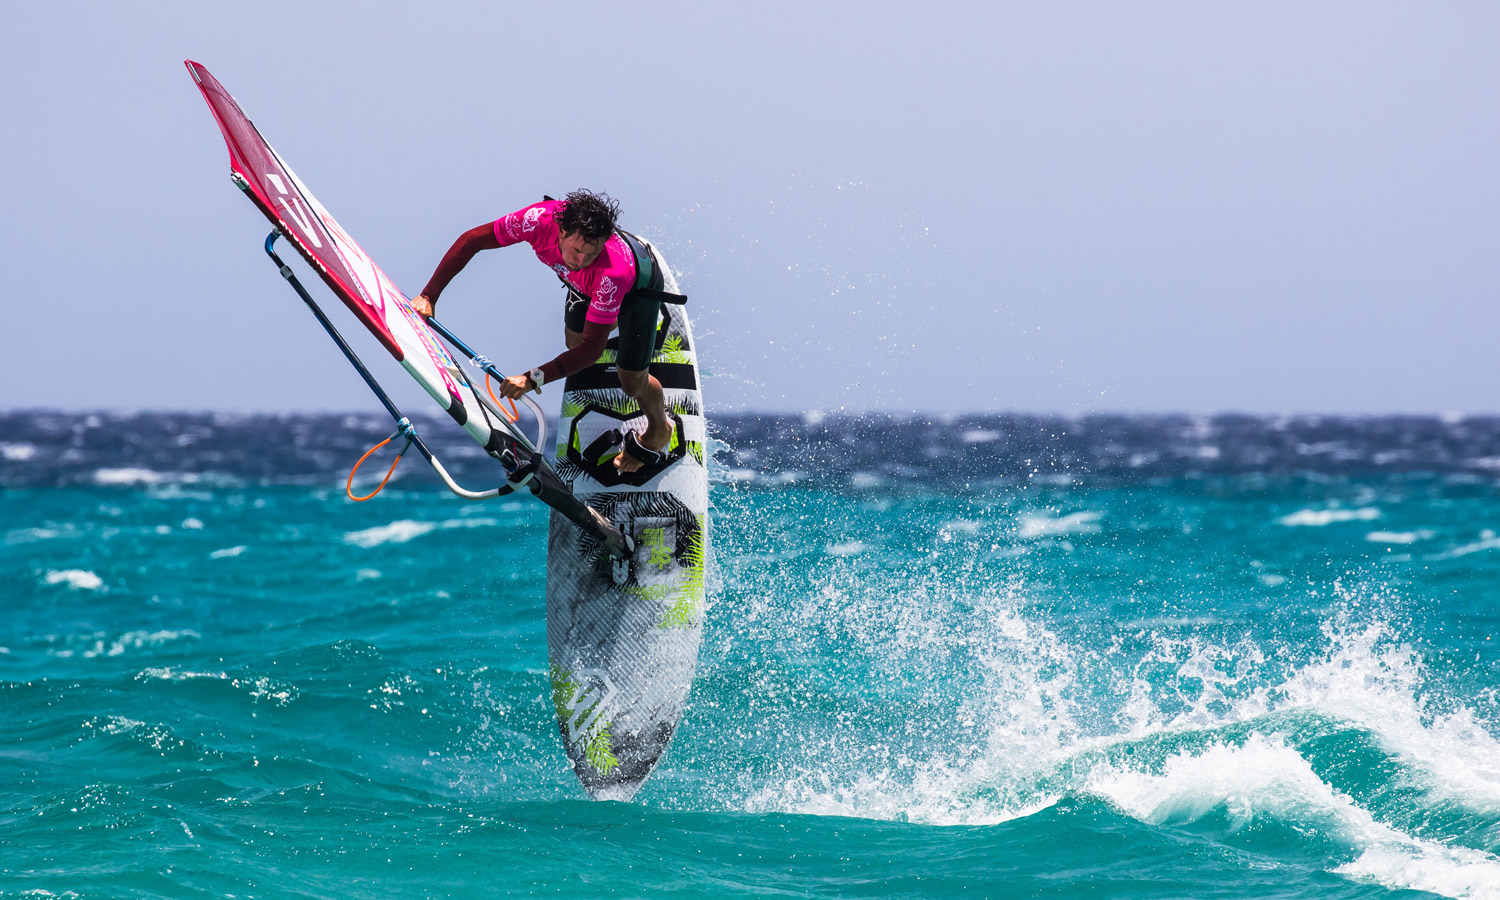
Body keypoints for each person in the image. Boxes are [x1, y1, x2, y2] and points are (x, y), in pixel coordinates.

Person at [410, 190, 670, 473]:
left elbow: (592, 351)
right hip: (586, 289)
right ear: (561, 232)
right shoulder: (536, 221)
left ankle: (659, 428)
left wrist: (532, 379)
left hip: (638, 291)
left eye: (590, 253)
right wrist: (428, 296)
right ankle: (607, 316)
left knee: (630, 382)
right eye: (577, 250)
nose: (581, 259)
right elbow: (472, 241)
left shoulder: (611, 273)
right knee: (574, 344)